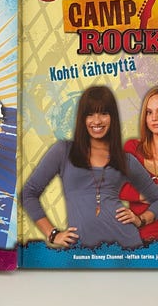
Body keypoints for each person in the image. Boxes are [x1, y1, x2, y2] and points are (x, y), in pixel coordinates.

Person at [22, 85, 158, 249]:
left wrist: (141, 219)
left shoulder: (124, 159)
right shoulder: (63, 151)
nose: (97, 121)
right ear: (82, 118)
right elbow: (28, 193)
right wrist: (52, 233)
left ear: (112, 117)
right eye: (90, 114)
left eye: (104, 113)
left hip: (127, 247)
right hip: (82, 252)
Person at [120, 86, 158, 242]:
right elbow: (116, 186)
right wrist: (146, 195)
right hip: (141, 238)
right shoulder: (133, 149)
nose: (154, 118)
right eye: (149, 112)